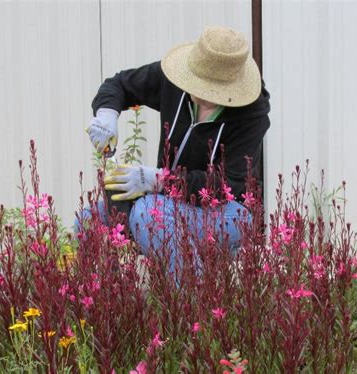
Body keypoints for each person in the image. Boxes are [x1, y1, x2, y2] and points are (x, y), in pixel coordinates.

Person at [86, 26, 270, 271]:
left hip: (229, 211)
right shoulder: (175, 79)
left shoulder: (251, 116)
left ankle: (193, 304)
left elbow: (230, 184)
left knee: (149, 215)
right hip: (169, 200)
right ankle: (116, 306)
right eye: (196, 83)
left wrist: (159, 180)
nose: (196, 93)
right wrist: (107, 115)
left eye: (208, 90)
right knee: (88, 222)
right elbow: (119, 84)